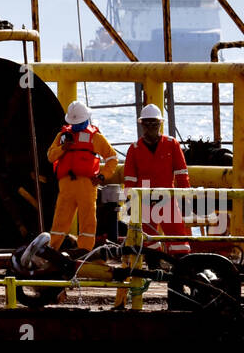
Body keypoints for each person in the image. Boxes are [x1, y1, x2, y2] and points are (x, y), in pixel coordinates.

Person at [47, 101, 117, 252]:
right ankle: (52, 250)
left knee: (88, 222)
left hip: (87, 184)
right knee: (60, 221)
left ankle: (84, 251)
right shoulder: (62, 136)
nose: (76, 126)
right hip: (66, 185)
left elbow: (112, 157)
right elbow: (51, 156)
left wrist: (102, 176)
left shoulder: (95, 138)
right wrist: (63, 148)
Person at [122, 103, 191, 254]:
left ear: (160, 124)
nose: (151, 127)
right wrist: (129, 203)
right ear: (142, 125)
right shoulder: (134, 149)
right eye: (147, 123)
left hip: (168, 200)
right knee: (148, 242)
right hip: (145, 202)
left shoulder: (171, 144)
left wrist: (185, 198)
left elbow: (181, 173)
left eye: (154, 123)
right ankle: (155, 267)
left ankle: (181, 267)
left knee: (179, 241)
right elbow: (130, 180)